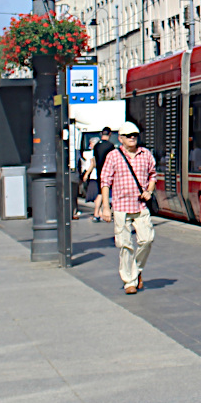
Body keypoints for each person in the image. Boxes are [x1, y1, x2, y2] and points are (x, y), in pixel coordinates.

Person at [99, 122, 157, 295]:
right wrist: (105, 207)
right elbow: (105, 182)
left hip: (140, 206)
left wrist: (149, 191)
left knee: (146, 240)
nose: (132, 138)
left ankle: (136, 271)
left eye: (135, 135)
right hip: (121, 207)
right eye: (129, 135)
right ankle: (129, 281)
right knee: (125, 245)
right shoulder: (113, 156)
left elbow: (153, 175)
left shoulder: (145, 154)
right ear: (121, 138)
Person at [90, 127, 117, 223]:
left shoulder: (97, 145)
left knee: (100, 192)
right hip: (109, 172)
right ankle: (99, 213)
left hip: (99, 172)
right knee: (106, 193)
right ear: (110, 134)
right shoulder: (111, 146)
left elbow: (94, 160)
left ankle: (97, 213)